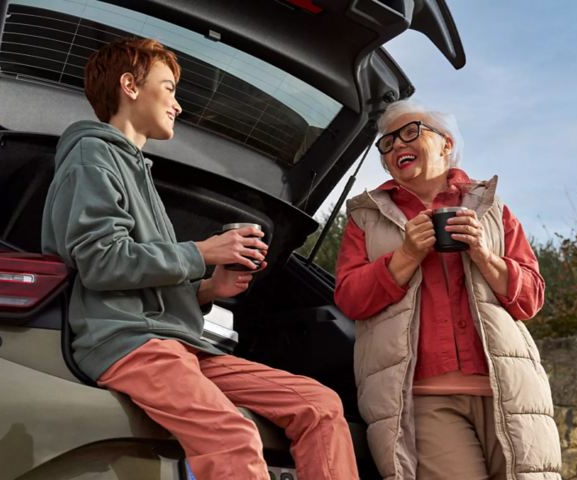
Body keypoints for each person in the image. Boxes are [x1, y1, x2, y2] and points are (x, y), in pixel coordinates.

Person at [41, 38, 359, 480]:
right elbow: (102, 261)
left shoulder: (137, 171)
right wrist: (203, 252)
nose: (178, 106)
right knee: (231, 436)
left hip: (183, 345)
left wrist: (210, 288)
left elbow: (145, 275)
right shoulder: (91, 155)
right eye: (169, 88)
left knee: (320, 405)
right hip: (130, 343)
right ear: (130, 86)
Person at [334, 100, 562, 480]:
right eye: (386, 144)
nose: (395, 146)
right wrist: (405, 255)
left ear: (445, 143)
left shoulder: (490, 207)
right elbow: (350, 298)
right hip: (422, 398)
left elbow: (531, 298)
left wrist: (484, 256)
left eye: (410, 132)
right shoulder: (366, 215)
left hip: (510, 391)